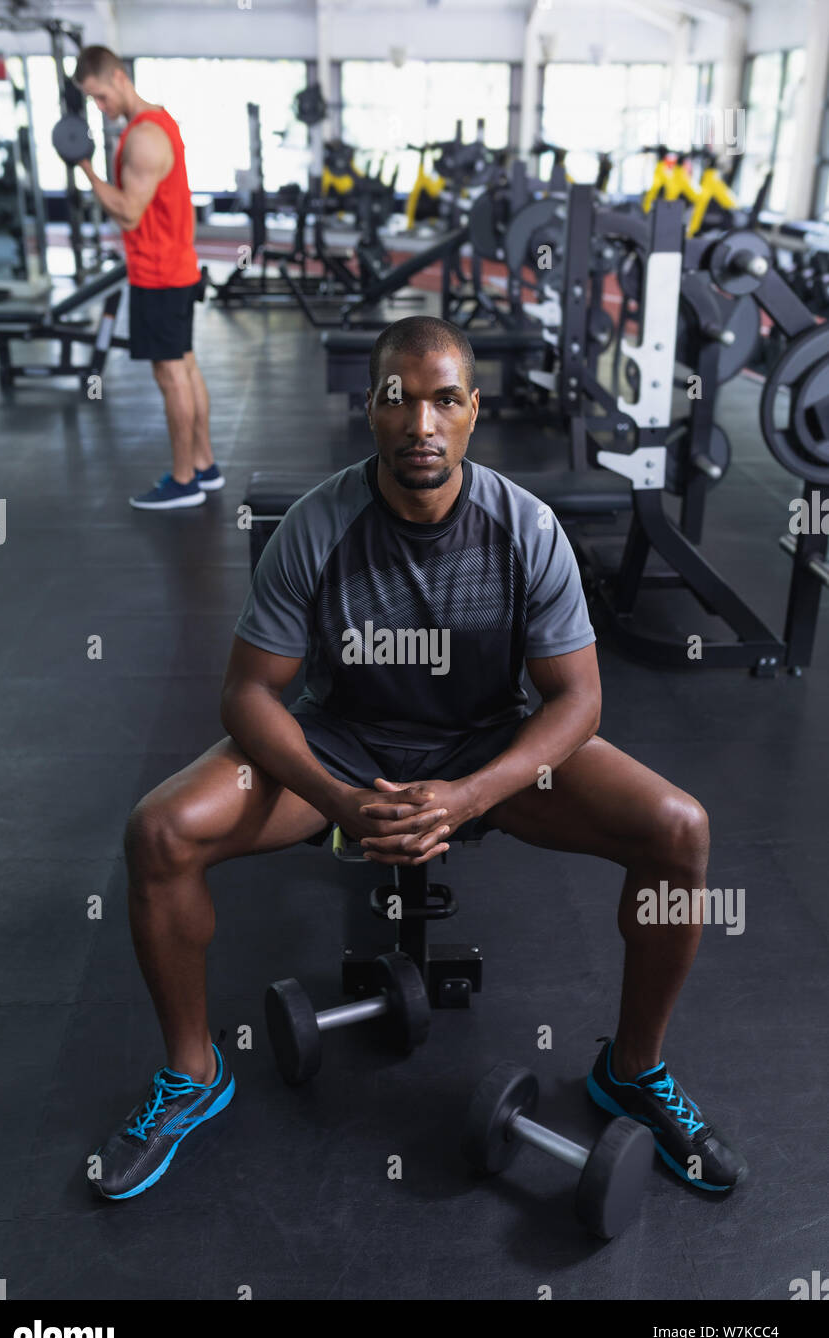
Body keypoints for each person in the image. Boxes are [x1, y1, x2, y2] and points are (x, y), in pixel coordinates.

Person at [88, 316, 747, 1201]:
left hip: (485, 746)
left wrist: (471, 795)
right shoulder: (316, 528)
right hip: (341, 744)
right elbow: (248, 694)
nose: (422, 424)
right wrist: (339, 798)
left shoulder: (526, 528)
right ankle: (193, 1075)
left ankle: (631, 1071)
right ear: (372, 411)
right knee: (160, 831)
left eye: (445, 400)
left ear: (474, 410)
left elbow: (578, 700)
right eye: (400, 399)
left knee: (679, 829)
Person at [73, 45, 223, 510]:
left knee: (171, 374)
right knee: (185, 365)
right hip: (176, 266)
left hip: (158, 273)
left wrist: (85, 169)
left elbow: (128, 213)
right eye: (91, 101)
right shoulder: (162, 121)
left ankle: (183, 482)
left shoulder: (141, 138)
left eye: (100, 96)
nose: (100, 108)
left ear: (119, 77)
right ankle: (204, 466)